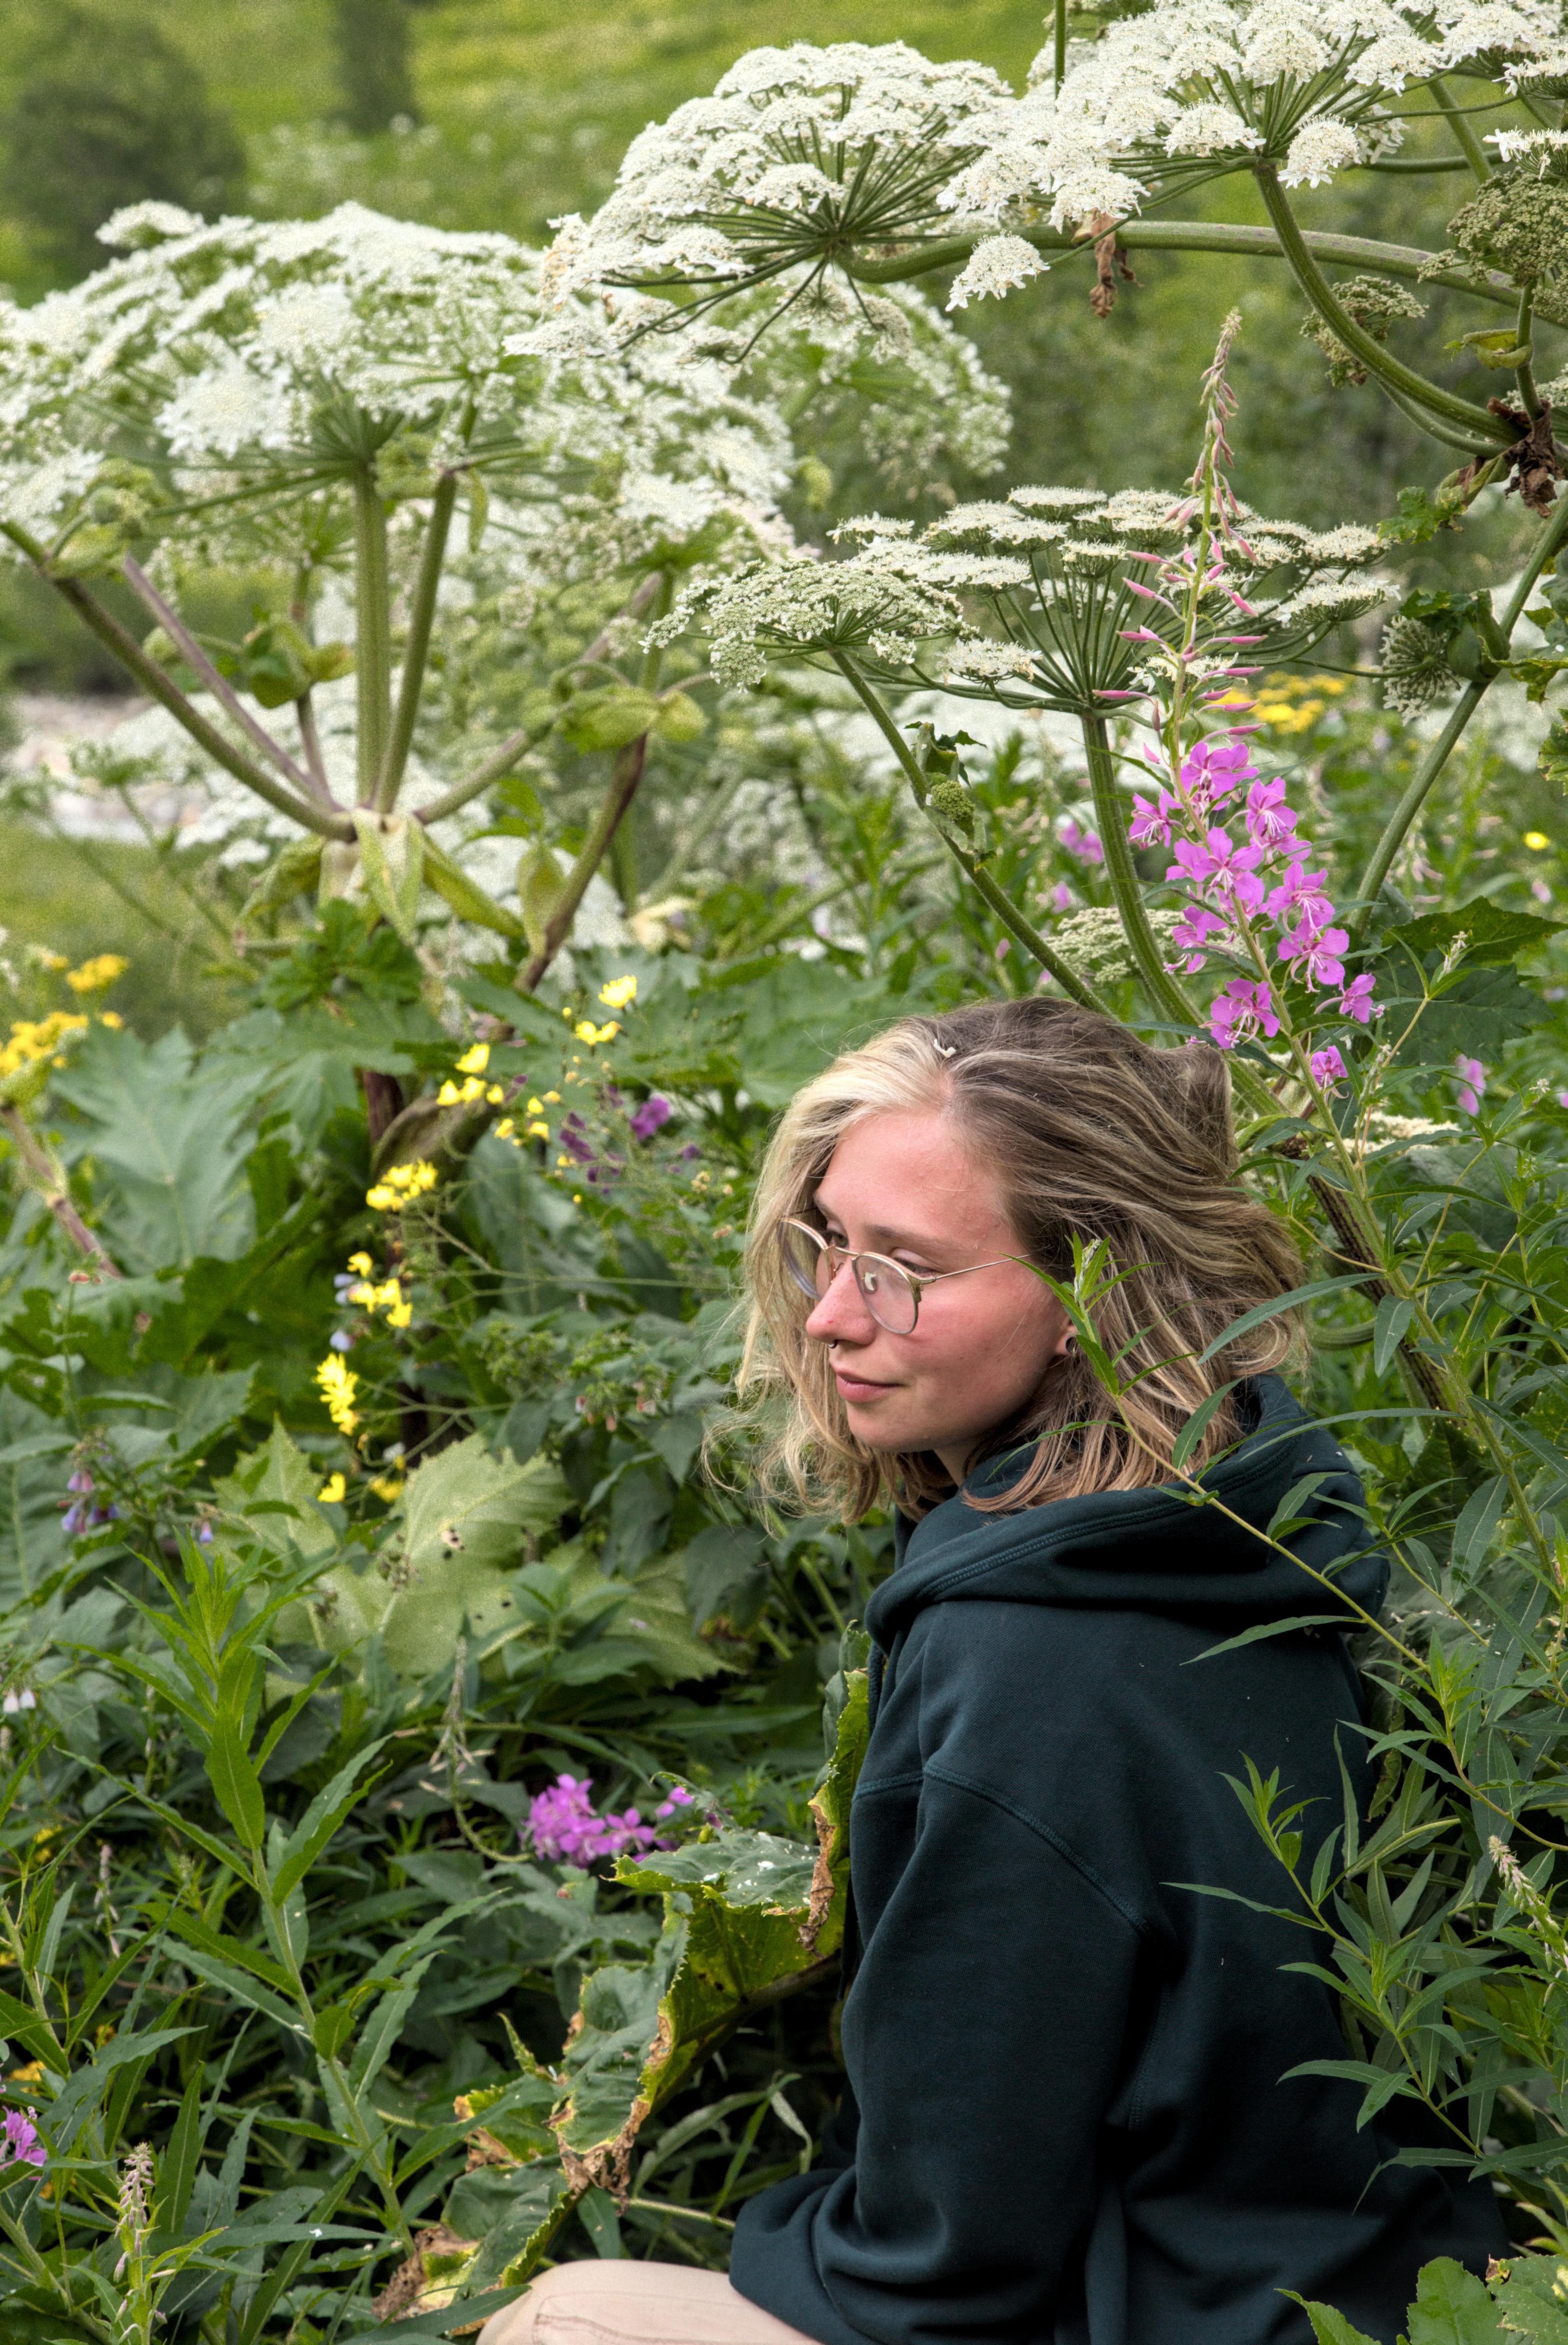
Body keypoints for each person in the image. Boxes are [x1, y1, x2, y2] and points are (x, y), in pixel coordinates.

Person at [481, 997, 1506, 2345]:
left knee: (565, 2323)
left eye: (908, 1268)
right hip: (1385, 2276)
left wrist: (785, 2230)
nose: (837, 1314)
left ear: (1094, 1295)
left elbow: (941, 2266)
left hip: (1177, 2312)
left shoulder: (1025, 1664)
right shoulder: (1271, 1501)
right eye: (830, 1243)